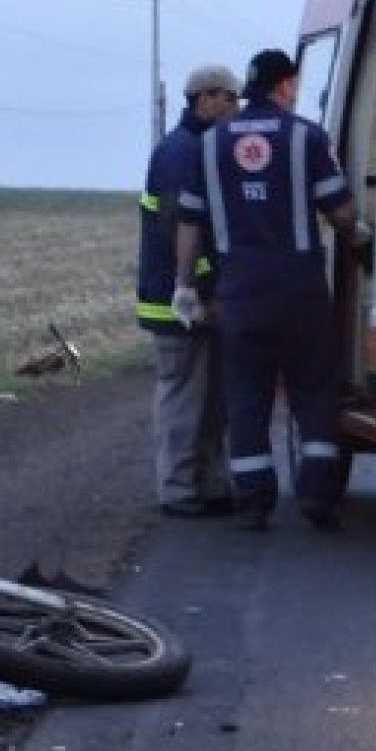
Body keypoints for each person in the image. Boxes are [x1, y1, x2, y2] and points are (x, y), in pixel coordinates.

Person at [174, 48, 364, 532]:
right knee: (312, 391)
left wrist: (185, 287)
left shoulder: (210, 145)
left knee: (247, 396)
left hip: (240, 291)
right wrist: (361, 238)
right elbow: (339, 212)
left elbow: (189, 224)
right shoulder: (307, 138)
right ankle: (317, 496)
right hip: (299, 289)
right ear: (286, 86)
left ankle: (254, 502)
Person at [136, 63, 238, 518]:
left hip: (197, 298)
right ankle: (178, 489)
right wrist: (195, 291)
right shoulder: (183, 153)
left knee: (211, 398)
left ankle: (210, 483)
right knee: (184, 397)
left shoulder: (199, 147)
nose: (235, 108)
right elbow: (181, 229)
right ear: (204, 98)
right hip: (178, 304)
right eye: (229, 98)